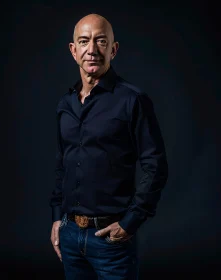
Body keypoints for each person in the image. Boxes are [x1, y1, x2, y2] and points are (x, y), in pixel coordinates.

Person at [50, 13, 168, 279]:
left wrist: (130, 223)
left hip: (111, 241)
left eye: (100, 41)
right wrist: (57, 217)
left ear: (113, 49)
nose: (92, 50)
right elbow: (63, 164)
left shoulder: (133, 100)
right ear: (73, 50)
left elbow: (155, 166)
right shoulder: (65, 105)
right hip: (69, 236)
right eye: (84, 41)